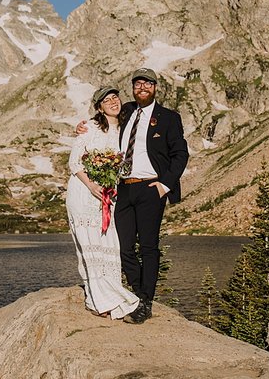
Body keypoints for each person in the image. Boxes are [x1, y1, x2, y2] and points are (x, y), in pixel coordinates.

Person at [78, 68, 189, 324]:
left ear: (155, 87)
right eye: (138, 84)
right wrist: (82, 126)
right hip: (124, 188)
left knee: (149, 246)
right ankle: (136, 294)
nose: (142, 88)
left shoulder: (169, 118)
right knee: (125, 247)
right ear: (133, 88)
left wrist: (165, 185)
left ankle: (145, 301)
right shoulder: (126, 110)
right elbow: (103, 119)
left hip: (151, 188)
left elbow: (180, 154)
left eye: (147, 84)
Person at [66, 86, 141, 320]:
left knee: (109, 245)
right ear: (99, 107)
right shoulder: (90, 127)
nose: (112, 102)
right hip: (84, 192)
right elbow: (74, 163)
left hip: (109, 196)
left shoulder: (125, 128)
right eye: (106, 100)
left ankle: (103, 296)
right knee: (88, 245)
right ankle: (98, 298)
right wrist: (91, 185)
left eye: (115, 97)